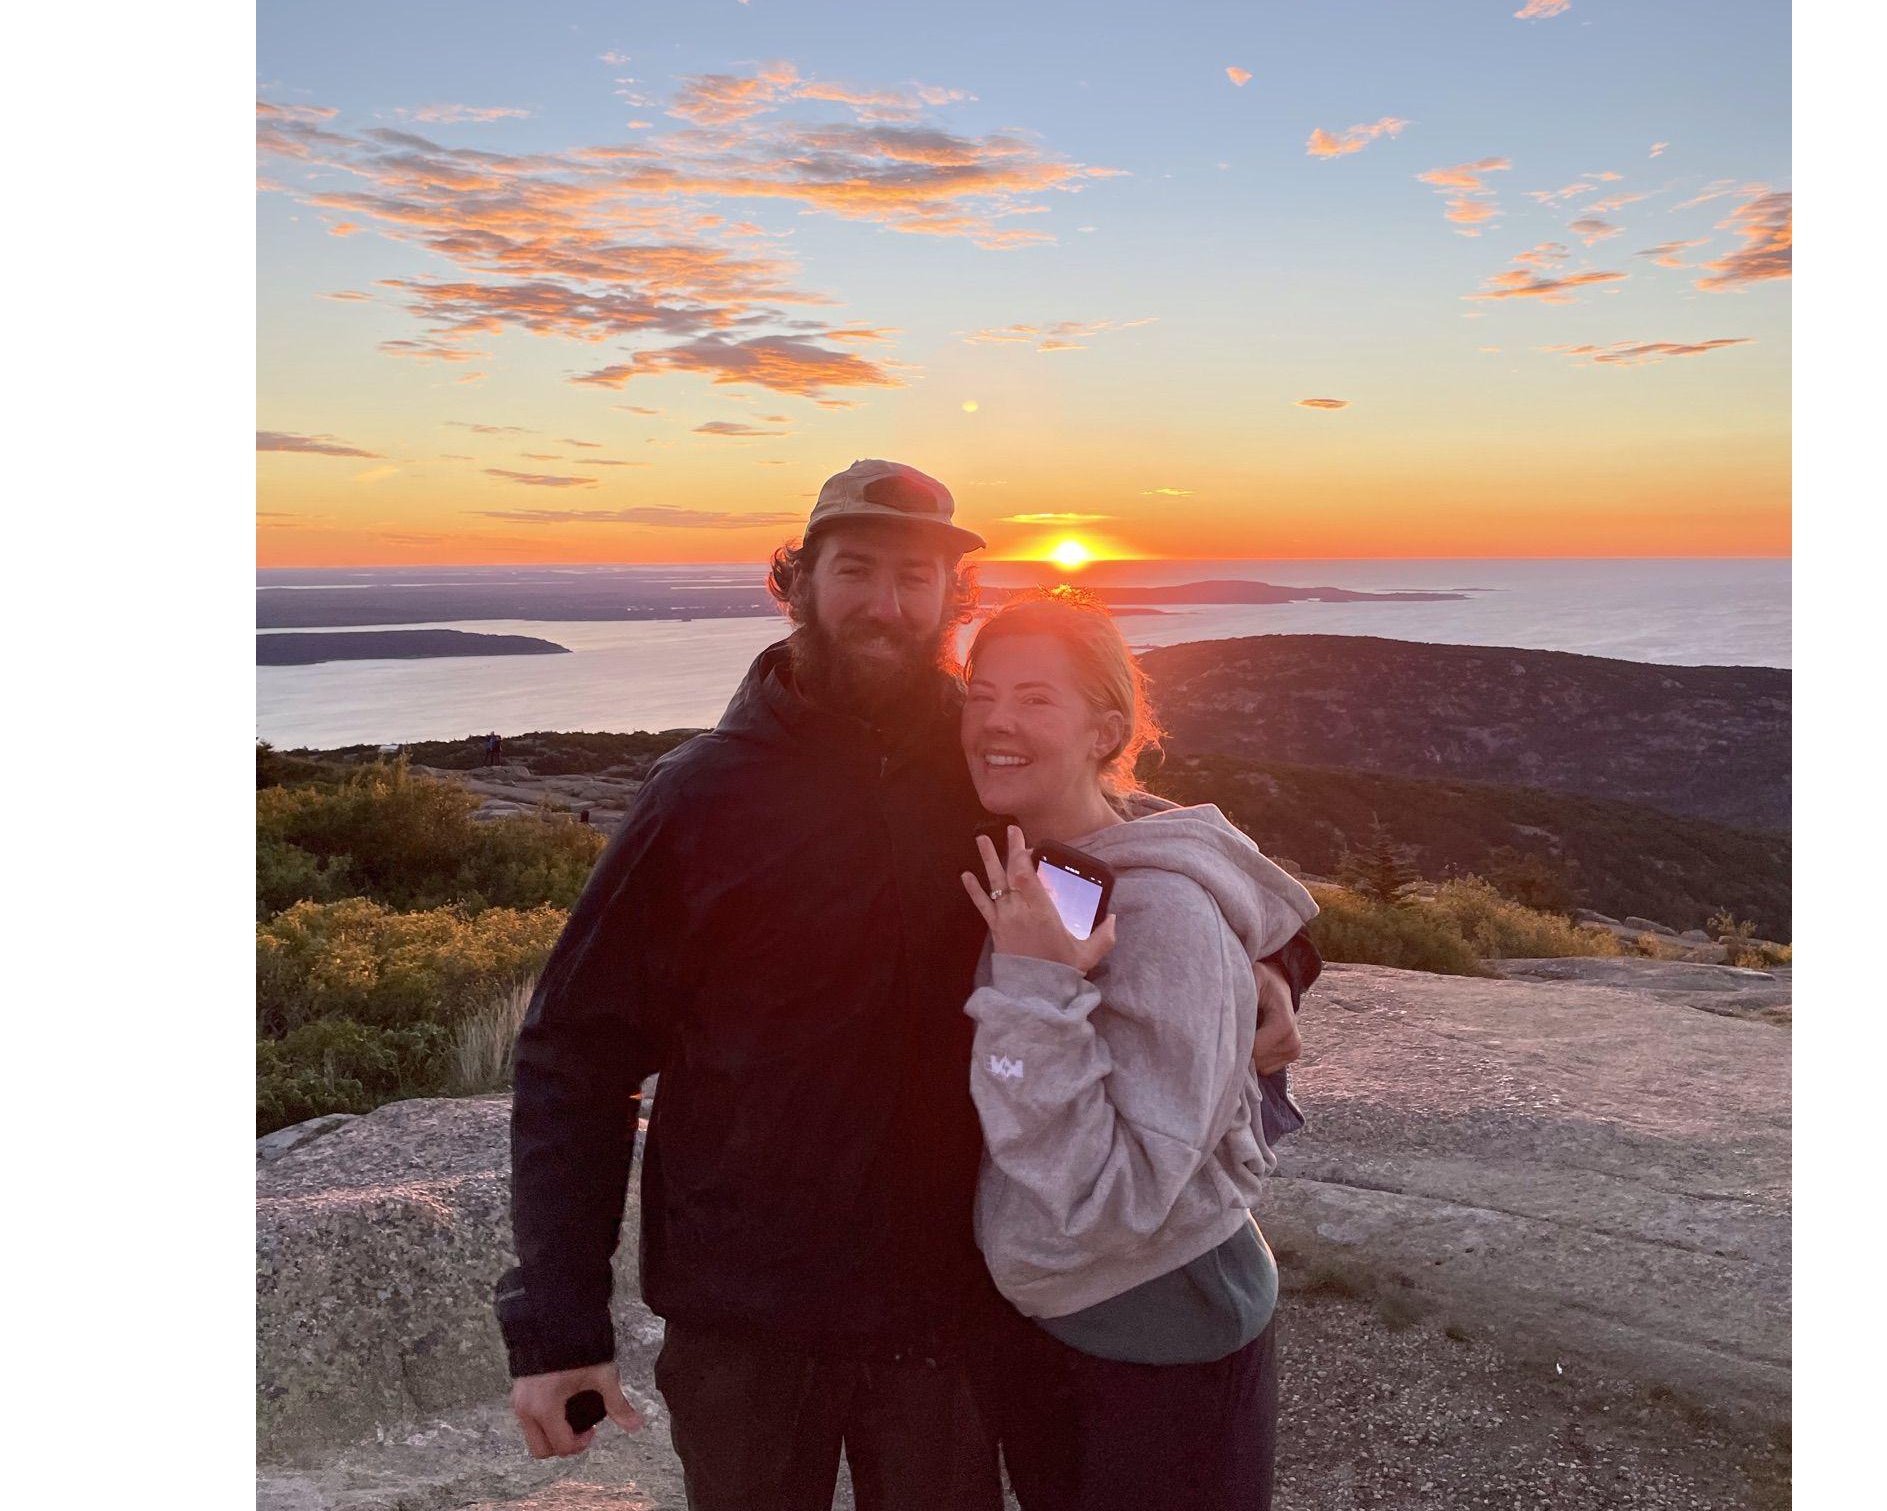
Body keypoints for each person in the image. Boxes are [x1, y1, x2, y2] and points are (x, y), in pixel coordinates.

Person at [494, 458, 1318, 1510]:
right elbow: (577, 1050)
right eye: (856, 569)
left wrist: (1271, 962)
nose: (886, 603)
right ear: (796, 582)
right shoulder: (698, 799)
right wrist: (558, 1323)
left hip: (945, 1308)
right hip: (744, 1315)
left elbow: (1158, 861)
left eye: (917, 577)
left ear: (949, 599)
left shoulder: (985, 763)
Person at [958, 593, 1320, 1511]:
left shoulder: (1162, 916)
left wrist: (1034, 994)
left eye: (1037, 698)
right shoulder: (1047, 862)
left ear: (1104, 729)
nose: (997, 720)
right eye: (980, 693)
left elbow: (1107, 1197)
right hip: (1070, 1318)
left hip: (1159, 1331)